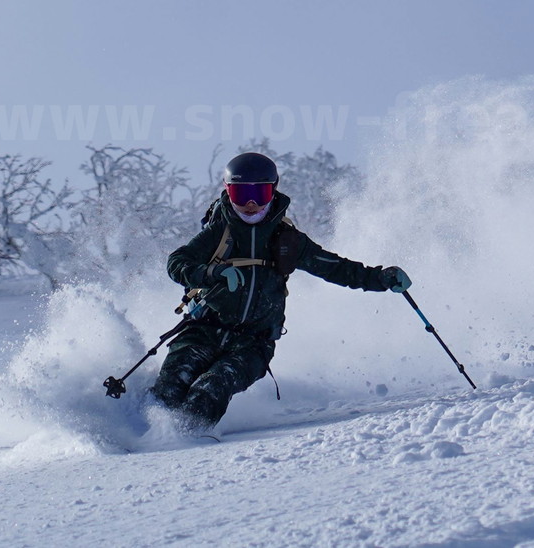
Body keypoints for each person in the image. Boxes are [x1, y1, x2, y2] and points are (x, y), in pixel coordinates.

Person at [151, 151, 411, 432]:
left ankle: (181, 441)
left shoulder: (286, 240)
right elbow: (177, 263)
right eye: (241, 194)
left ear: (273, 191)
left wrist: (380, 278)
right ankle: (141, 437)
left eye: (259, 194)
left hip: (253, 345)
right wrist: (213, 273)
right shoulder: (219, 231)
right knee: (171, 385)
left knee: (213, 385)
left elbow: (335, 268)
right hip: (203, 330)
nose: (250, 205)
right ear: (228, 192)